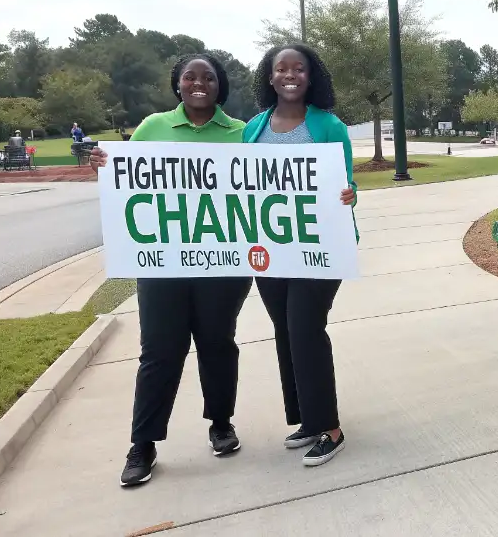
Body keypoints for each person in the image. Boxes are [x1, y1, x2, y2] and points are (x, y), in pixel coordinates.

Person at [88, 54, 251, 487]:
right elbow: (125, 182)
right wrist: (104, 168)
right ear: (177, 84)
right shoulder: (152, 128)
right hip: (162, 263)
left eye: (209, 77)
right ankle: (143, 443)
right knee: (160, 350)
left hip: (223, 263)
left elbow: (271, 186)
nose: (199, 83)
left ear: (221, 86)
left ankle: (221, 423)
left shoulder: (242, 134)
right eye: (190, 77)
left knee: (218, 343)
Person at [245, 44, 357, 467]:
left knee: (305, 327)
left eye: (299, 69)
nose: (290, 75)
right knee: (285, 331)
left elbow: (346, 184)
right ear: (270, 77)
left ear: (311, 77)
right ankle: (307, 420)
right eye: (281, 69)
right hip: (271, 249)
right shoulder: (254, 128)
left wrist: (350, 194)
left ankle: (330, 428)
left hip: (321, 246)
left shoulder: (329, 127)